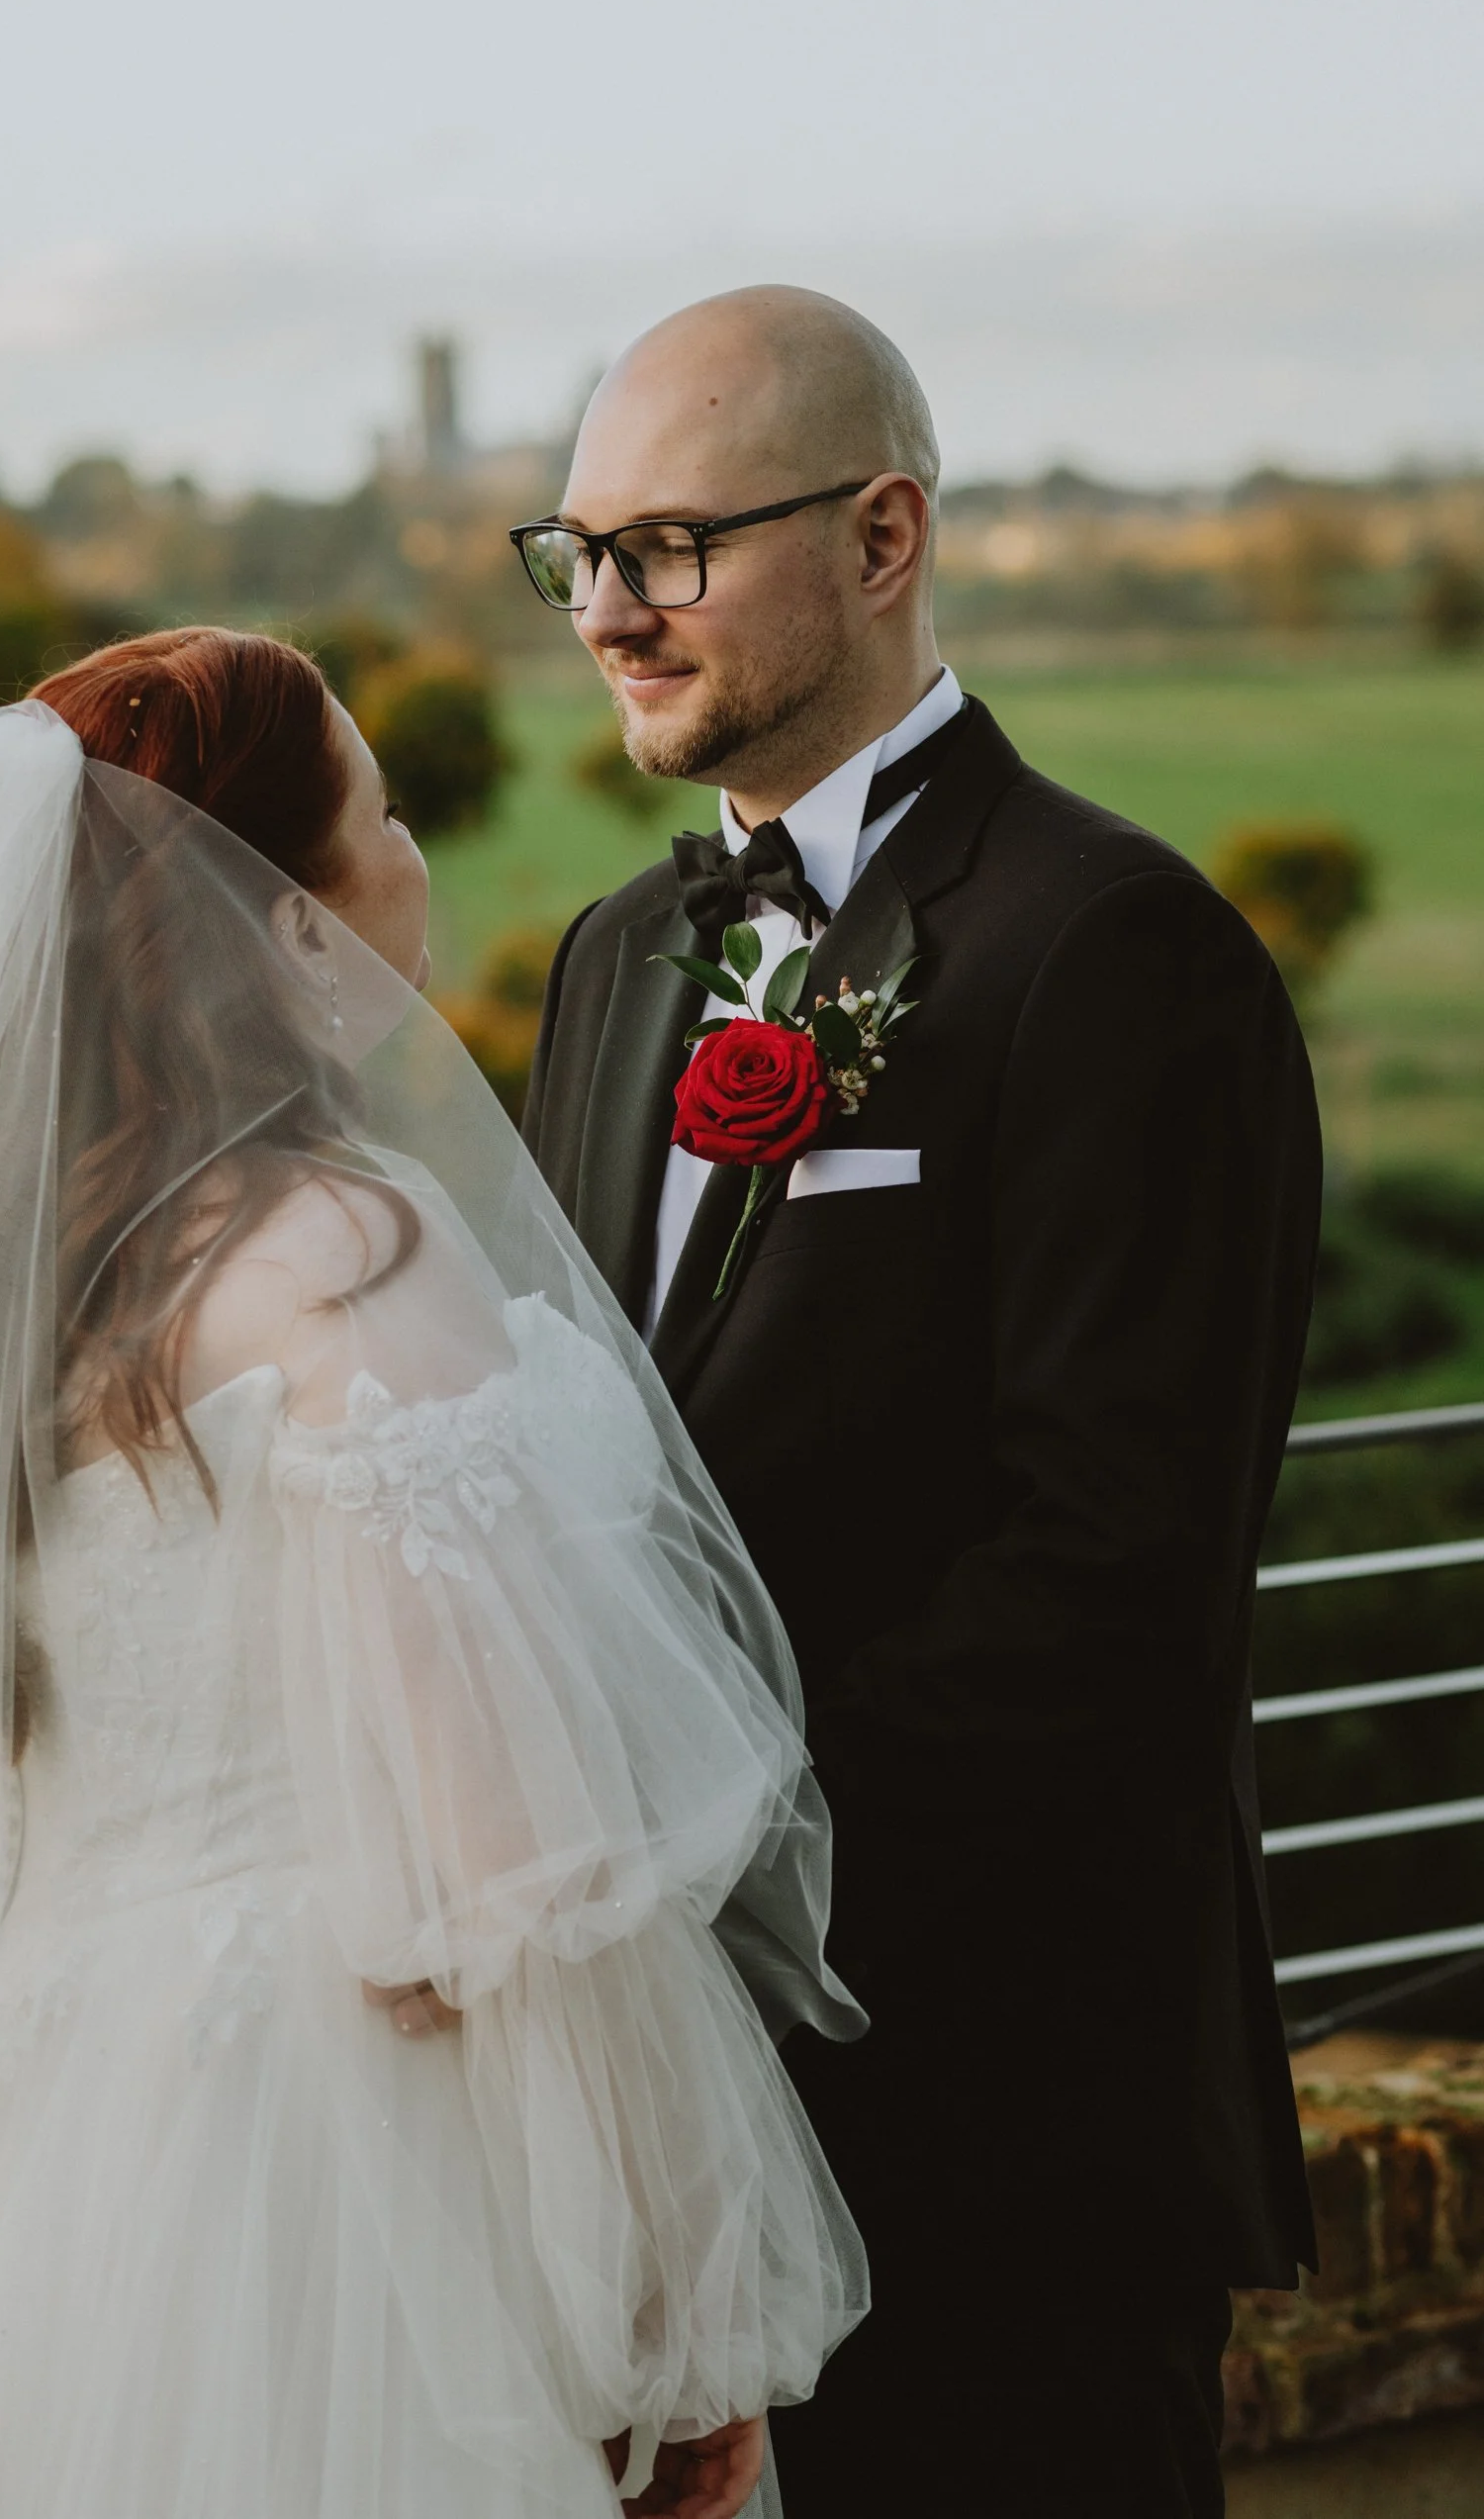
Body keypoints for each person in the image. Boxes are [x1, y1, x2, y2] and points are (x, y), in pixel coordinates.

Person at [0, 627, 866, 2519]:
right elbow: (516, 1869)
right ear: (297, 936)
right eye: (383, 815)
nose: (415, 854)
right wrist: (672, 2314)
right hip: (326, 2179)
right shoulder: (341, 1252)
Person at [518, 288, 1322, 2517]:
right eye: (577, 551)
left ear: (882, 538)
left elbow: (1119, 1580)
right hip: (672, 2161)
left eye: (671, 545)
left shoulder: (1115, 945)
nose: (606, 611)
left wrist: (698, 1860)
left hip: (1005, 2149)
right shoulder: (613, 959)